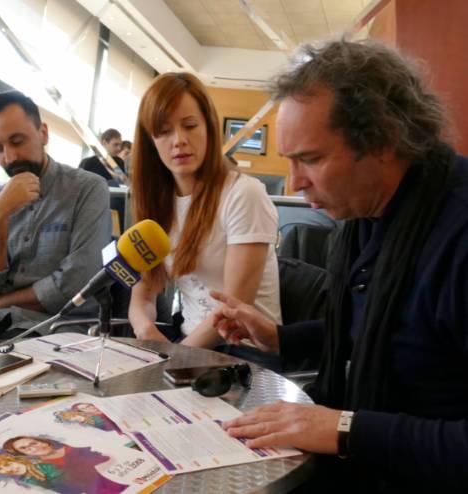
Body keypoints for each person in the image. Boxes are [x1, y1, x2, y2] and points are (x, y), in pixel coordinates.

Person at [208, 40, 468, 492]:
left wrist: (346, 428)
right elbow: (386, 331)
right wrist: (281, 339)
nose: (295, 182)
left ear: (383, 140)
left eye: (311, 159)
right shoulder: (369, 214)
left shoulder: (458, 234)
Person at [128, 72, 281, 348]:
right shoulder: (158, 202)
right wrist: (145, 329)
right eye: (163, 131)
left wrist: (174, 358)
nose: (179, 140)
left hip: (243, 351)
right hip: (186, 344)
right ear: (151, 141)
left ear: (209, 128)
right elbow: (144, 292)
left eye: (190, 125)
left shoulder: (243, 194)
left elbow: (233, 309)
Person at [0, 90, 111, 323]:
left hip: (63, 328)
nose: (10, 157)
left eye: (17, 141)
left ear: (43, 134)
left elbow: (77, 282)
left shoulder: (87, 188)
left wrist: (2, 302)